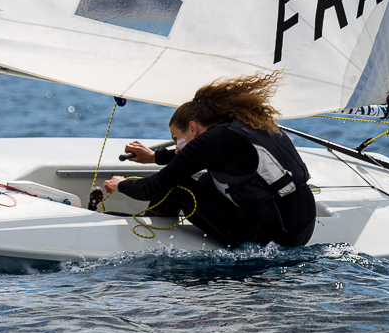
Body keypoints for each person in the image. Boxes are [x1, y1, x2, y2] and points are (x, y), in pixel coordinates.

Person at [103, 71, 316, 248]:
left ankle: (148, 233)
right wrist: (154, 157)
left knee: (178, 188)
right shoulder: (244, 126)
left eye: (176, 138)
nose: (176, 147)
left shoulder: (215, 139)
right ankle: (159, 223)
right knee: (207, 181)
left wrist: (121, 184)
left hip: (276, 237)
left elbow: (153, 187)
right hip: (300, 227)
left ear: (193, 127)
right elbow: (192, 157)